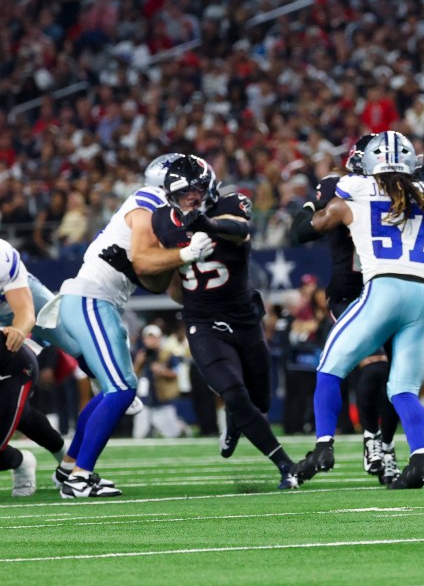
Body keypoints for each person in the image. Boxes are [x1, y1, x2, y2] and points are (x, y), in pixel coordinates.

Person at [291, 131, 424, 489]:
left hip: (383, 289)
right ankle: (421, 455)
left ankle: (323, 446)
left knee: (330, 369)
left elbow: (303, 232)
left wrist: (307, 208)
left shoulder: (354, 191)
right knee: (403, 389)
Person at [51, 154, 210, 498]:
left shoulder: (168, 220)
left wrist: (181, 258)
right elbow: (141, 259)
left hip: (103, 303)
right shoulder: (148, 200)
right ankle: (80, 476)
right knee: (122, 390)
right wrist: (185, 255)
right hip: (90, 298)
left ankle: (69, 467)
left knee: (116, 389)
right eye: (190, 188)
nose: (195, 196)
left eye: (200, 189)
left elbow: (157, 284)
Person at [139, 155, 300, 489]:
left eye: (197, 189)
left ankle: (235, 417)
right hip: (203, 321)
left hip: (244, 319)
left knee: (260, 402)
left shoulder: (231, 202)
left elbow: (241, 230)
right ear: (170, 195)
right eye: (184, 193)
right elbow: (165, 282)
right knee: (234, 392)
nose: (192, 198)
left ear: (209, 184)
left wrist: (207, 226)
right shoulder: (160, 221)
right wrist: (156, 264)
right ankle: (285, 465)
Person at [290, 135, 403, 485]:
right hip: (352, 293)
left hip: (392, 290)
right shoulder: (341, 189)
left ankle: (384, 443)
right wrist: (312, 205)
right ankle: (372, 440)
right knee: (374, 368)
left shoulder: (403, 191)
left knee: (399, 377)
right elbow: (302, 233)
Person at [0, 344, 39, 497]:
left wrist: (19, 328)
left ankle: (22, 462)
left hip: (15, 369)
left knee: (26, 418)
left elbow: (26, 318)